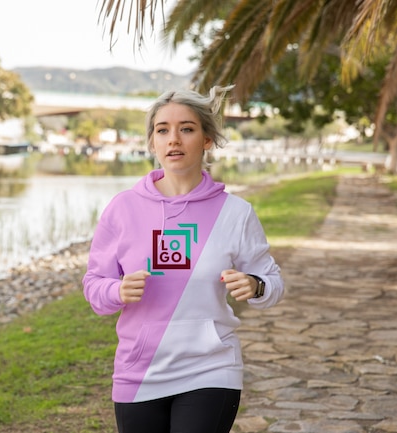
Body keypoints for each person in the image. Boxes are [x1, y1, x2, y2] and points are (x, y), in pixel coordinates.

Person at [82, 85, 284, 433]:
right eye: (163, 130)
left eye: (186, 129)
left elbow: (273, 283)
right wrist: (117, 291)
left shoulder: (235, 213)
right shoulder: (123, 208)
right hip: (138, 370)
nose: (173, 139)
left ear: (206, 139)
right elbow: (94, 287)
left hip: (210, 369)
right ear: (152, 142)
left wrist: (255, 285)